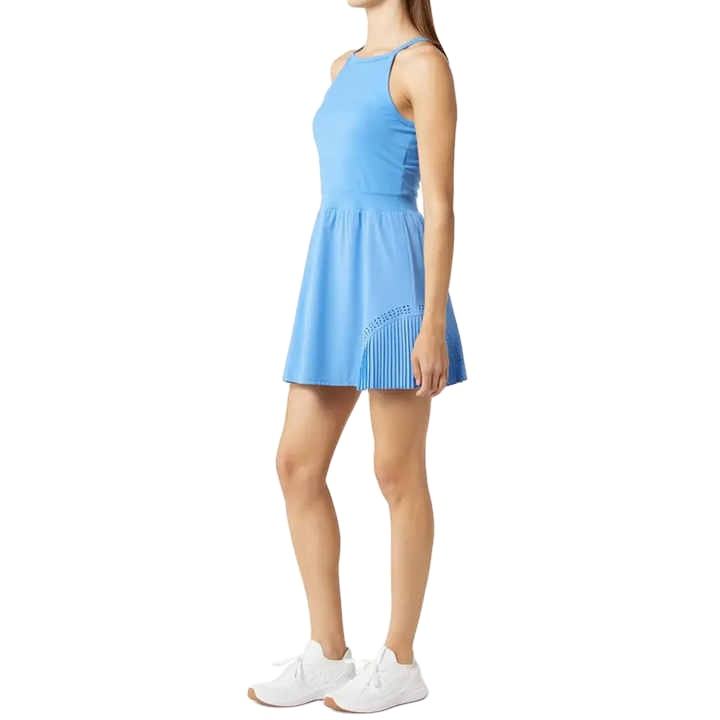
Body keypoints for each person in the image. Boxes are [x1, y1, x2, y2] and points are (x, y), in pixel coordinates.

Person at [249, 0, 466, 712]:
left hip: (394, 282)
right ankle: (328, 651)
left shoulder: (423, 66)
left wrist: (431, 323)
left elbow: (441, 203)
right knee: (295, 464)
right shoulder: (341, 67)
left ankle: (400, 661)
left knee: (396, 471)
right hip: (334, 272)